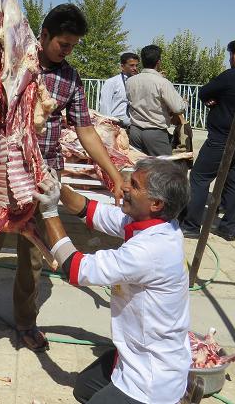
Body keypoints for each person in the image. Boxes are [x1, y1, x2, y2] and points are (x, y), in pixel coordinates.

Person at [0, 4, 125, 372]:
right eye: (63, 44)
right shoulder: (12, 64)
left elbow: (85, 130)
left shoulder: (70, 79)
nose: (67, 51)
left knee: (33, 259)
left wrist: (114, 174)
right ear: (44, 35)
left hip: (42, 176)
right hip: (1, 172)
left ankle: (26, 322)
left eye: (73, 46)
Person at [36, 158, 192, 404]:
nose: (125, 186)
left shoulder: (151, 250)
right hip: (135, 353)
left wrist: (49, 213)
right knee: (84, 389)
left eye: (135, 185)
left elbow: (76, 269)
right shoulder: (152, 224)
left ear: (156, 203)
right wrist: (58, 186)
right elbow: (90, 211)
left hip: (151, 379)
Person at [181, 38, 235, 242]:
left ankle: (191, 225)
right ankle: (229, 228)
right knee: (234, 180)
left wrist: (216, 101)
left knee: (199, 178)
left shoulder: (231, 76)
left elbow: (204, 92)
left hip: (222, 137)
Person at [126, 44, 186, 156]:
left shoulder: (130, 81)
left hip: (135, 131)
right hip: (155, 132)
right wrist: (184, 103)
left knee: (139, 164)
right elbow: (177, 108)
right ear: (158, 62)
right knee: (164, 165)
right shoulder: (162, 82)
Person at [98, 52, 139, 129]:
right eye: (131, 65)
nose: (135, 68)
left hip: (133, 126)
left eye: (136, 65)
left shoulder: (138, 82)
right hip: (116, 126)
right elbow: (105, 106)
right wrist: (109, 126)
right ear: (122, 66)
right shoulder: (112, 82)